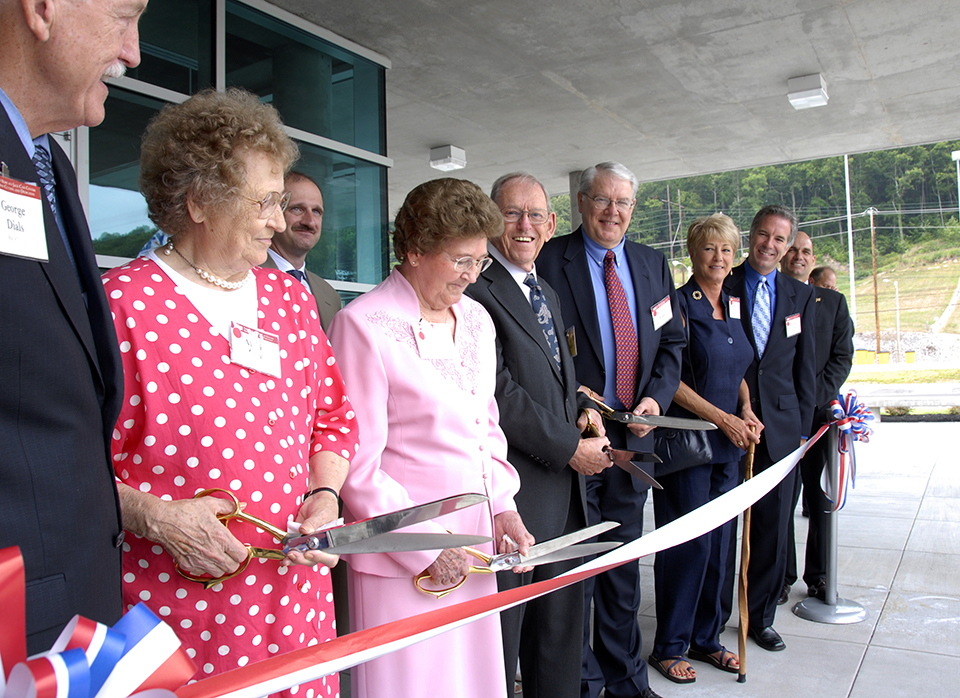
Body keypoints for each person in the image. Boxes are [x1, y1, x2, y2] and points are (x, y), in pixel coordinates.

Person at [102, 88, 358, 696]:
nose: (279, 220)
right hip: (181, 619)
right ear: (197, 202)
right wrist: (159, 518)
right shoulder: (122, 305)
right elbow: (66, 466)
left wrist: (325, 495)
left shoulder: (289, 299)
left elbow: (333, 417)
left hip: (296, 606)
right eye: (265, 202)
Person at [327, 178, 534, 698]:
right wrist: (424, 549)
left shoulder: (478, 321)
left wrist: (503, 508)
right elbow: (357, 464)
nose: (470, 275)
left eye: (479, 261)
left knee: (473, 683)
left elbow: (486, 423)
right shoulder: (363, 324)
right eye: (458, 260)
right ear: (415, 250)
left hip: (474, 545)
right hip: (404, 554)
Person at [0, 0, 146, 652]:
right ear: (42, 9)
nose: (134, 51)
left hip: (67, 614)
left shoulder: (46, 164)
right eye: (124, 15)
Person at [538, 162, 684, 698]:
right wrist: (579, 400)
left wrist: (654, 397)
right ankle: (583, 682)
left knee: (623, 567)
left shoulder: (651, 264)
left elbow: (673, 344)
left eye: (622, 203)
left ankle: (626, 679)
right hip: (577, 441)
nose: (612, 212)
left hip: (635, 443)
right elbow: (541, 352)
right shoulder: (552, 260)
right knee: (577, 570)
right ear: (580, 203)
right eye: (602, 200)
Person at [465, 172, 612, 698]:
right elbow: (499, 393)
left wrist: (582, 410)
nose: (524, 225)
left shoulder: (544, 288)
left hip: (565, 504)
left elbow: (553, 377)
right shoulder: (478, 293)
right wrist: (570, 448)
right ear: (489, 219)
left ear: (551, 225)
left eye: (535, 215)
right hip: (517, 502)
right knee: (506, 646)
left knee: (560, 644)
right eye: (511, 213)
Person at [649, 214, 763, 683]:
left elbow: (736, 365)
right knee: (687, 545)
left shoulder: (735, 304)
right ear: (692, 253)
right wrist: (721, 418)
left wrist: (748, 408)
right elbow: (668, 379)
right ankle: (669, 645)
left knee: (720, 546)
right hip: (689, 445)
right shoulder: (673, 305)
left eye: (726, 249)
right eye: (709, 248)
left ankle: (707, 638)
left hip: (731, 444)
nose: (718, 258)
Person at [720, 205, 816, 652]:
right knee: (720, 528)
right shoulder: (723, 281)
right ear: (750, 236)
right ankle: (716, 615)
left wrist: (799, 433)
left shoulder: (799, 295)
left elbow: (805, 370)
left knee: (772, 530)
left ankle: (758, 618)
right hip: (727, 424)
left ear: (788, 245)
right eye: (763, 235)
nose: (770, 246)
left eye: (780, 240)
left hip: (779, 430)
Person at [779, 234, 854, 604]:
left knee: (820, 498)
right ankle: (780, 577)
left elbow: (842, 358)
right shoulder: (770, 297)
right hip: (779, 418)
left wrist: (811, 400)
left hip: (820, 417)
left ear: (813, 260)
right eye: (792, 249)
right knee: (780, 501)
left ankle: (820, 576)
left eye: (806, 251)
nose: (798, 256)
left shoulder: (834, 304)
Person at [261, 171, 342, 331]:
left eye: (316, 211)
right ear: (275, 212)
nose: (310, 221)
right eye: (297, 209)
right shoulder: (246, 278)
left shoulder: (329, 295)